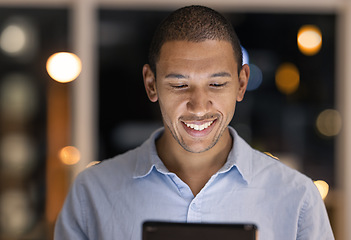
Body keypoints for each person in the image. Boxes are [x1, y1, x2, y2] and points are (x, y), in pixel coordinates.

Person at [54, 5, 334, 240]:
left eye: (216, 84)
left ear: (241, 83)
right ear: (151, 85)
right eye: (179, 85)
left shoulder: (298, 198)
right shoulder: (91, 193)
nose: (199, 106)